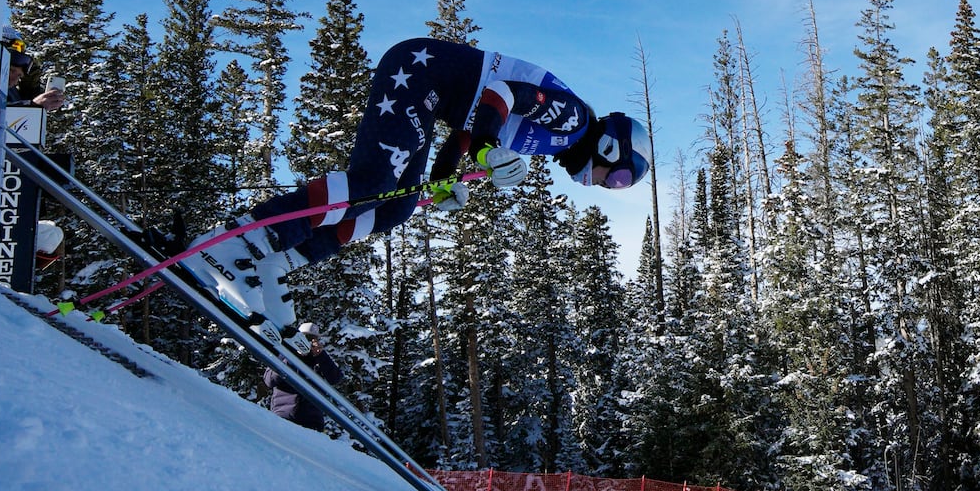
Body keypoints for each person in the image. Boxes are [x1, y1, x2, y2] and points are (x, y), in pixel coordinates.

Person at [179, 37, 652, 340]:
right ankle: (238, 244)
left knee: (395, 207)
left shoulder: (557, 140)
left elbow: (466, 128)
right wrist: (487, 151)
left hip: (430, 94)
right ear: (612, 149)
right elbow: (502, 96)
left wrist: (447, 179)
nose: (605, 185)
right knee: (372, 182)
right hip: (418, 74)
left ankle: (274, 262)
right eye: (618, 178)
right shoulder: (573, 121)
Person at [263, 322, 343, 432]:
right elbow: (269, 380)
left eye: (312, 339)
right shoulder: (284, 354)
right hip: (283, 416)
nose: (308, 342)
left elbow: (335, 378)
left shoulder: (320, 360)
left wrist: (321, 356)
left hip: (311, 422)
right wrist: (292, 358)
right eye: (305, 337)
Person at [2, 26, 66, 110]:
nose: (14, 80)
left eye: (19, 76)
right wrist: (33, 105)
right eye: (11, 70)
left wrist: (31, 90)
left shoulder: (12, 91)